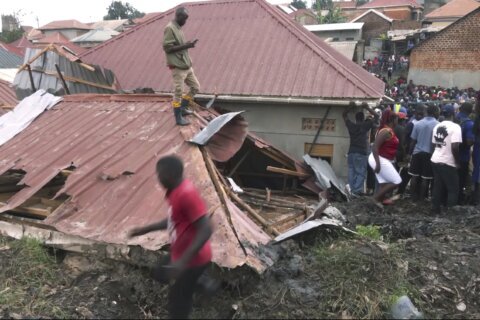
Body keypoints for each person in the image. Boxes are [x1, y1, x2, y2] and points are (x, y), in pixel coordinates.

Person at [129, 155, 213, 319]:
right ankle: (202, 283)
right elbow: (174, 219)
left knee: (178, 302)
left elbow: (205, 230)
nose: (158, 178)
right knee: (160, 273)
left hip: (193, 258)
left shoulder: (187, 194)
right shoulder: (174, 192)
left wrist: (182, 262)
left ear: (169, 175)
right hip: (180, 253)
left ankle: (199, 284)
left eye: (159, 174)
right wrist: (145, 229)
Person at [163, 7, 200, 126]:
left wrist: (188, 44)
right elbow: (167, 48)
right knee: (178, 92)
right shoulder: (170, 28)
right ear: (178, 16)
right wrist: (186, 46)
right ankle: (178, 117)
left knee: (195, 87)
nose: (185, 21)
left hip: (186, 65)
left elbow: (180, 45)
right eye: (184, 19)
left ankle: (183, 108)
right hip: (178, 67)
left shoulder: (179, 28)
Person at [343, 101, 379, 196]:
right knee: (360, 172)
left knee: (351, 171)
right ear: (363, 119)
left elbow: (344, 115)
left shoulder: (351, 126)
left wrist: (350, 107)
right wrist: (367, 107)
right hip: (361, 152)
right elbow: (377, 116)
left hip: (351, 152)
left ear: (355, 119)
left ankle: (351, 190)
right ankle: (356, 191)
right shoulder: (365, 125)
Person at [431, 105, 462, 214]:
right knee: (453, 189)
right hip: (447, 161)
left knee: (438, 186)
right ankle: (450, 213)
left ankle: (435, 209)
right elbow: (455, 147)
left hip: (435, 159)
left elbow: (434, 144)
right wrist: (457, 162)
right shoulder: (456, 127)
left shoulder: (437, 126)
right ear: (453, 114)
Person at [368, 109, 402, 207]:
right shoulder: (386, 131)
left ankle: (381, 199)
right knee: (397, 181)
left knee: (384, 183)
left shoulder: (389, 130)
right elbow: (375, 147)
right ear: (392, 120)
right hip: (378, 158)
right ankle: (375, 198)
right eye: (396, 119)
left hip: (382, 158)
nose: (397, 121)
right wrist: (378, 164)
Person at [408, 104, 439, 201]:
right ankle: (422, 199)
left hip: (417, 152)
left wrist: (409, 154)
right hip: (429, 153)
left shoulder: (418, 124)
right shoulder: (437, 124)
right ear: (435, 113)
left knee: (414, 176)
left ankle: (413, 197)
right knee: (425, 178)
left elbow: (413, 141)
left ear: (427, 112)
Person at [455, 102, 475, 204]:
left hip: (448, 156)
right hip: (462, 157)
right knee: (460, 180)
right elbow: (469, 141)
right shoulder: (469, 124)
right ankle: (458, 200)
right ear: (471, 111)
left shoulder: (453, 119)